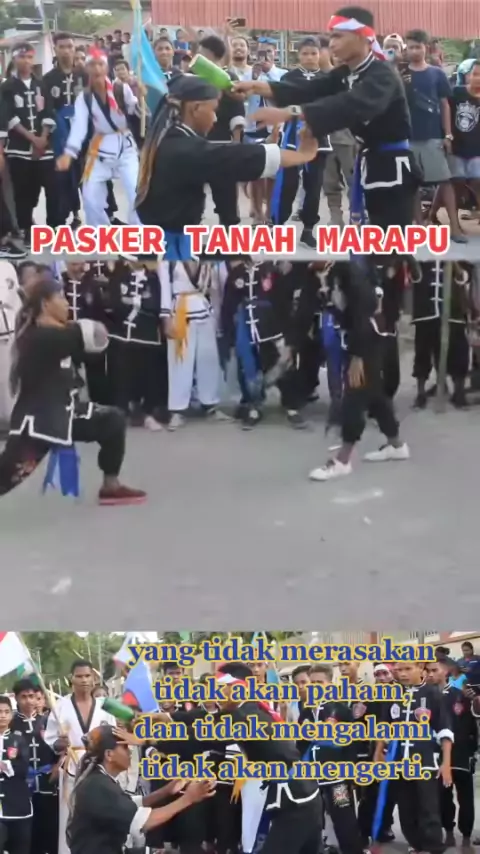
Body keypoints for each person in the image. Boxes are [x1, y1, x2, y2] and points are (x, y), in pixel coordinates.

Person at [235, 6, 419, 232]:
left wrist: (292, 112)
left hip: (393, 165)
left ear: (362, 37)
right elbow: (310, 89)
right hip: (372, 161)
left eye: (338, 36)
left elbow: (353, 104)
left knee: (391, 240)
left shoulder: (382, 74)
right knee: (373, 238)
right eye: (331, 37)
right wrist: (257, 87)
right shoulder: (346, 74)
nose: (331, 44)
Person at [0, 272, 146, 505]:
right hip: (39, 422)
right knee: (5, 476)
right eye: (60, 297)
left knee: (113, 420)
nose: (67, 303)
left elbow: (91, 347)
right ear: (45, 304)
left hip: (66, 412)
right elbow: (91, 334)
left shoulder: (59, 332)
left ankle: (110, 486)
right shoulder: (40, 337)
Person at [135, 73, 317, 259]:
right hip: (168, 249)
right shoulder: (182, 149)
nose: (215, 118)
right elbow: (231, 157)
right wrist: (302, 155)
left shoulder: (171, 137)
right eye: (213, 110)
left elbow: (224, 154)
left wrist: (267, 145)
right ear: (196, 108)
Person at [299, 262, 410, 481]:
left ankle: (342, 460)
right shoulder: (349, 292)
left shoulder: (360, 294)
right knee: (376, 398)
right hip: (365, 346)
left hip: (366, 348)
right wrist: (329, 304)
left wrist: (357, 357)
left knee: (354, 399)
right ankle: (397, 446)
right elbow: (347, 319)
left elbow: (361, 325)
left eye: (330, 282)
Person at [67, 724, 216, 854]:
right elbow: (146, 821)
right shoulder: (98, 786)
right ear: (109, 755)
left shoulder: (99, 780)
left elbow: (130, 804)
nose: (130, 752)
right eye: (125, 747)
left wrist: (166, 791)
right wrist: (188, 798)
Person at [374, 660, 453, 854]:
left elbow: (444, 730)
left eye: (408, 669)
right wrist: (378, 752)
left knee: (428, 808)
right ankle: (416, 845)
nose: (402, 674)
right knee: (406, 809)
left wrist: (446, 764)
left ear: (420, 668)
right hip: (399, 762)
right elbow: (384, 726)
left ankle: (433, 847)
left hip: (425, 761)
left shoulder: (433, 694)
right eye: (399, 670)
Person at [57, 51, 141, 226]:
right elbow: (79, 127)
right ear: (87, 69)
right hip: (100, 148)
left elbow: (136, 112)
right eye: (92, 65)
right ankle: (100, 232)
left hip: (125, 147)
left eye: (100, 64)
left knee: (135, 192)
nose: (96, 69)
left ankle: (138, 232)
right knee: (90, 197)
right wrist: (69, 153)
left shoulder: (121, 89)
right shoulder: (84, 97)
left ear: (106, 68)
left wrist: (140, 98)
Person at [44, 660, 117, 854]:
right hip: (71, 767)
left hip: (99, 767)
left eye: (87, 676)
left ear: (94, 678)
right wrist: (58, 744)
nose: (84, 680)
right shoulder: (61, 706)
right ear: (72, 679)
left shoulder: (104, 706)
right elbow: (50, 738)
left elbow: (114, 737)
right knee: (71, 815)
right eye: (79, 676)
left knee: (100, 814)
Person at [402, 30, 465, 242]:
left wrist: (447, 135)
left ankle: (454, 227)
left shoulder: (437, 74)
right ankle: (419, 227)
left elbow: (445, 105)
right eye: (411, 47)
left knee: (444, 181)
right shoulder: (400, 74)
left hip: (433, 137)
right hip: (407, 138)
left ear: (426, 48)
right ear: (406, 49)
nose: (414, 51)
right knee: (412, 185)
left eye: (418, 47)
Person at [271, 37, 333, 248]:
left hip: (318, 139)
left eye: (313, 53)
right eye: (305, 53)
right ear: (298, 55)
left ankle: (308, 229)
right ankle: (278, 226)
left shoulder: (327, 79)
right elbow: (281, 106)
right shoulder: (289, 77)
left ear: (320, 54)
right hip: (292, 137)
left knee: (313, 186)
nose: (309, 57)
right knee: (287, 184)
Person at [159, 259, 228, 430]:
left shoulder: (207, 256)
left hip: (204, 310)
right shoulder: (169, 258)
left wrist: (218, 319)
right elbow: (164, 289)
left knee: (208, 360)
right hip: (180, 311)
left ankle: (210, 405)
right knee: (179, 361)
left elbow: (215, 290)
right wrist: (166, 317)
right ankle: (177, 410)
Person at [0, 43, 57, 241]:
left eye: (29, 57)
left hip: (44, 147)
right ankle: (26, 227)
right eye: (21, 57)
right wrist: (32, 139)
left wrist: (43, 138)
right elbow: (9, 117)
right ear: (14, 59)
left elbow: (48, 112)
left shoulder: (41, 84)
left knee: (51, 188)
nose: (26, 61)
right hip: (19, 148)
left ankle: (54, 226)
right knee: (24, 191)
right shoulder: (6, 87)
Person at [425, 659, 477, 848]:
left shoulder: (460, 696)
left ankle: (466, 834)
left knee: (465, 797)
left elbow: (471, 725)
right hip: (437, 754)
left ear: (446, 671)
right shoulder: (424, 697)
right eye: (427, 671)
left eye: (434, 670)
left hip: (461, 753)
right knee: (442, 796)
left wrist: (471, 749)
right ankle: (448, 831)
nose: (430, 674)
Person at [411, 261, 470, 408]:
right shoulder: (422, 259)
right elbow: (414, 275)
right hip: (426, 313)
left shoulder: (461, 257)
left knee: (459, 352)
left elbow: (463, 278)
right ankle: (421, 393)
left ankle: (458, 392)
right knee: (423, 353)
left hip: (454, 314)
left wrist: (452, 260)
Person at [43, 32, 87, 227]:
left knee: (84, 176)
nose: (66, 51)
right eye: (62, 47)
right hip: (60, 137)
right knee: (61, 178)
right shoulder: (48, 79)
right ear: (55, 49)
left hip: (83, 136)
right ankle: (59, 220)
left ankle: (83, 215)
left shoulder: (84, 76)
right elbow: (46, 110)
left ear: (74, 48)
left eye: (70, 46)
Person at [11, 678, 59, 854]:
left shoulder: (49, 721)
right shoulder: (10, 724)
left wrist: (58, 766)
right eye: (23, 697)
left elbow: (60, 749)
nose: (28, 701)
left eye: (32, 696)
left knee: (51, 829)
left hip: (48, 783)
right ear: (16, 698)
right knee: (29, 833)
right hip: (23, 787)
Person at [0, 694, 32, 854]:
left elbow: (24, 767)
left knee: (20, 847)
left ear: (11, 714)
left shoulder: (18, 740)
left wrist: (5, 766)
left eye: (6, 712)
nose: (2, 716)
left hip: (17, 803)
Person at [0, 260, 22, 426]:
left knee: (9, 380)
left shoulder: (6, 267)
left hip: (9, 334)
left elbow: (14, 301)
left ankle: (12, 421)